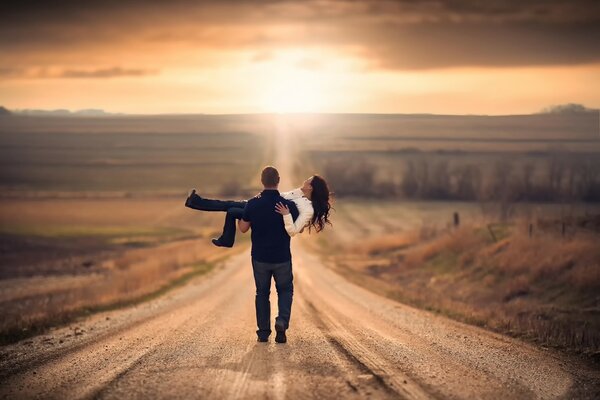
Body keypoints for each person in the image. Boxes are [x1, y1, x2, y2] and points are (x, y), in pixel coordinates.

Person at [184, 174, 332, 247]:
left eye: (308, 180)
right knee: (230, 207)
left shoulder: (308, 209)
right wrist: (259, 198)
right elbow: (278, 196)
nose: (305, 180)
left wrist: (286, 215)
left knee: (231, 210)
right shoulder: (298, 192)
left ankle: (227, 239)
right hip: (262, 205)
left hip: (266, 215)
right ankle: (195, 202)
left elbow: (294, 230)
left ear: (311, 186)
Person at [239, 166, 298, 343]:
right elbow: (295, 228)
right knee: (285, 290)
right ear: (278, 180)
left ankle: (263, 333)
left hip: (260, 257)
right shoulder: (288, 205)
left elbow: (242, 229)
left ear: (262, 181)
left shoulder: (253, 203)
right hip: (282, 257)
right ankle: (281, 323)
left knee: (262, 293)